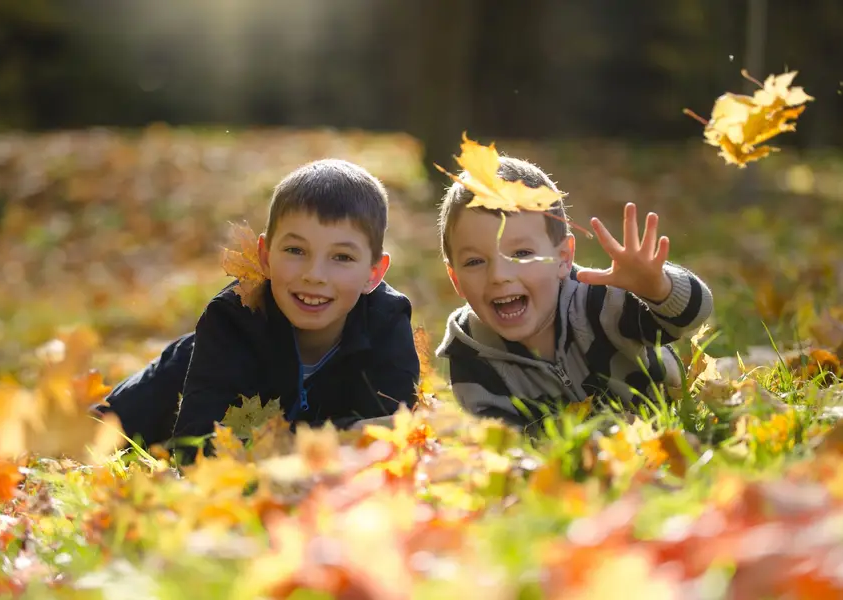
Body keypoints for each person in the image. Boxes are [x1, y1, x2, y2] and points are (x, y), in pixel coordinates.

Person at [96, 159, 420, 450]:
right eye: (295, 251)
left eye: (342, 257)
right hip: (178, 382)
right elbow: (194, 445)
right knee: (92, 435)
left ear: (373, 273)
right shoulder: (233, 319)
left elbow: (391, 431)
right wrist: (341, 434)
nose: (314, 275)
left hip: (259, 435)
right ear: (265, 256)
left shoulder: (387, 322)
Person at [434, 156, 713, 432]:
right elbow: (501, 439)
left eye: (521, 254)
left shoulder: (601, 302)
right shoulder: (470, 354)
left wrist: (657, 288)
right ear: (455, 278)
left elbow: (688, 319)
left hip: (666, 429)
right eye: (474, 262)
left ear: (563, 258)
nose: (499, 276)